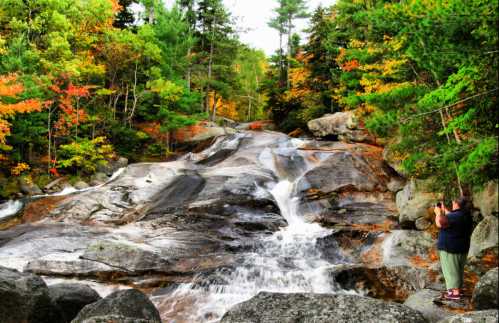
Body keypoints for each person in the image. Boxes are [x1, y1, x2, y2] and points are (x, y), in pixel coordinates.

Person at [433, 196, 473, 301]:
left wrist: (438, 213)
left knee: (451, 270)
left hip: (449, 248)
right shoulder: (466, 215)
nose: (452, 203)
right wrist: (443, 210)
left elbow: (440, 223)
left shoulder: (454, 217)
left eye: (453, 202)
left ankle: (454, 293)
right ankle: (458, 290)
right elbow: (451, 218)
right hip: (462, 248)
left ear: (456, 204)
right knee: (458, 270)